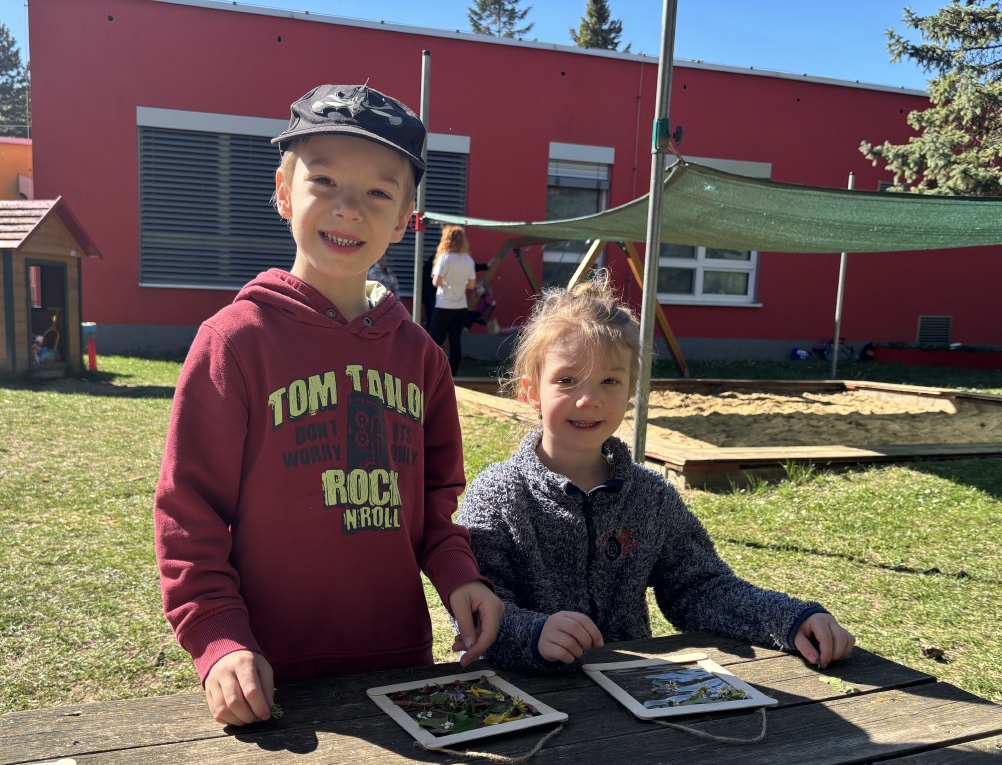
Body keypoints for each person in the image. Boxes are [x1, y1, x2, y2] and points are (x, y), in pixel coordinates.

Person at [155, 83, 503, 726]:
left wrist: (461, 577)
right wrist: (218, 636)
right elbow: (188, 513)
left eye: (378, 193)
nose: (348, 209)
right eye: (324, 181)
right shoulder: (234, 342)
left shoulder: (423, 358)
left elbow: (435, 505)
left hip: (400, 669)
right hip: (269, 677)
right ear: (284, 192)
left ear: (404, 219)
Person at [458, 273, 856, 672]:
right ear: (530, 391)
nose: (588, 399)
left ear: (631, 389)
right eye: (567, 380)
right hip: (524, 694)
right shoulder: (498, 495)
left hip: (635, 691)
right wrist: (532, 633)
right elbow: (475, 607)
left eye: (610, 380)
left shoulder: (650, 496)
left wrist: (789, 619)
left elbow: (699, 588)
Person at [429, 226, 476, 376]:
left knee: (435, 341)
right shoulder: (468, 260)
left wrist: (445, 281)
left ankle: (432, 371)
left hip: (444, 305)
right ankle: (453, 373)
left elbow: (436, 282)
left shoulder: (445, 258)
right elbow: (471, 285)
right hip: (461, 306)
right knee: (455, 341)